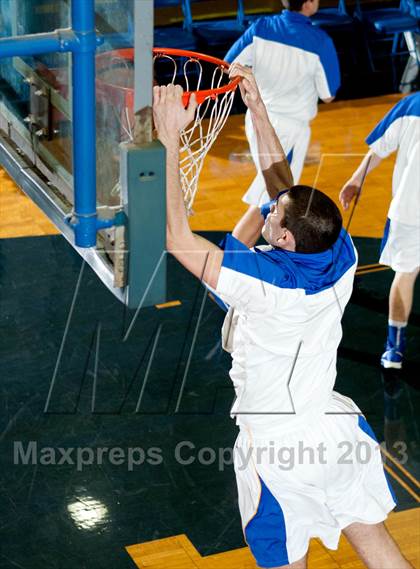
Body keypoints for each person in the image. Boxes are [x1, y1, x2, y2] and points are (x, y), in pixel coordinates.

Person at [152, 64, 412, 569]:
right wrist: (259, 110)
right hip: (333, 430)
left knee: (283, 561)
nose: (265, 209)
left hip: (276, 451)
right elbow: (284, 185)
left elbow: (176, 239)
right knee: (374, 541)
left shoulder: (264, 285)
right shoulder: (341, 254)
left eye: (272, 216)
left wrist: (168, 139)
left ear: (285, 239)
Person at [224, 0, 340, 206]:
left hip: (256, 120)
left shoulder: (260, 27)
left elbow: (229, 65)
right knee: (278, 197)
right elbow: (328, 95)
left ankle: (253, 237)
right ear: (309, 3)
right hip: (289, 129)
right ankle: (240, 238)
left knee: (272, 192)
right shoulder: (320, 41)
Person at [340, 92, 420, 370]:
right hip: (411, 211)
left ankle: (394, 349)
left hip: (410, 212)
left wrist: (355, 178)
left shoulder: (412, 104)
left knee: (405, 274)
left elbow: (380, 148)